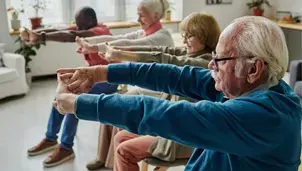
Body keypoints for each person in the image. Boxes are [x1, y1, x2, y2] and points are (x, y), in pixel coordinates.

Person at [55, 16, 302, 171]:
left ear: (254, 69)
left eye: (220, 59)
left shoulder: (264, 116)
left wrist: (78, 104)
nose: (211, 65)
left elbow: (164, 114)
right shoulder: (249, 87)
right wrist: (100, 73)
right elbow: (174, 75)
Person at [102, 12, 221, 171]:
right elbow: (160, 51)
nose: (184, 40)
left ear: (205, 36)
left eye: (190, 36)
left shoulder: (204, 63)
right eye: (184, 35)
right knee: (120, 137)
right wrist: (118, 50)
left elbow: (168, 60)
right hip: (170, 128)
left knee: (125, 150)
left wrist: (119, 55)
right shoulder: (193, 53)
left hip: (184, 137)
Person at [74, 0, 174, 170]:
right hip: (141, 88)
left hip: (156, 93)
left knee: (116, 107)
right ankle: (103, 157)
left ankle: (113, 164)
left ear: (156, 15)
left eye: (141, 14)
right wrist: (89, 44)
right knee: (108, 103)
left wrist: (93, 48)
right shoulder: (143, 32)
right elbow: (117, 38)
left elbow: (129, 45)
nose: (138, 18)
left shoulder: (162, 37)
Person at [20, 7, 118, 168]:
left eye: (80, 26)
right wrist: (35, 32)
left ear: (91, 22)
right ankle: (51, 138)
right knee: (61, 94)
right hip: (94, 75)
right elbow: (62, 29)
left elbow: (70, 36)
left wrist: (41, 36)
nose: (78, 28)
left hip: (111, 78)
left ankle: (66, 147)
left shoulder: (99, 31)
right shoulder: (84, 27)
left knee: (74, 99)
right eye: (77, 25)